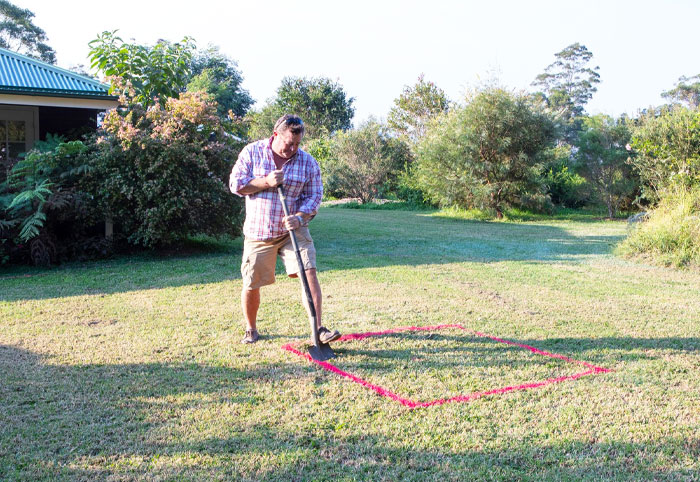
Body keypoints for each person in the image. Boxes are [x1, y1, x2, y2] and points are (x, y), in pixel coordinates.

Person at [229, 114, 341, 344]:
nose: (293, 149)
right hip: (260, 233)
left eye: (297, 144)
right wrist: (266, 182)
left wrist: (299, 217)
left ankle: (318, 329)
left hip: (293, 232)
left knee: (309, 274)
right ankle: (251, 328)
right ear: (275, 135)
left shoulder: (307, 162)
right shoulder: (252, 152)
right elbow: (236, 184)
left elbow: (314, 196)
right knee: (252, 283)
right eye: (289, 143)